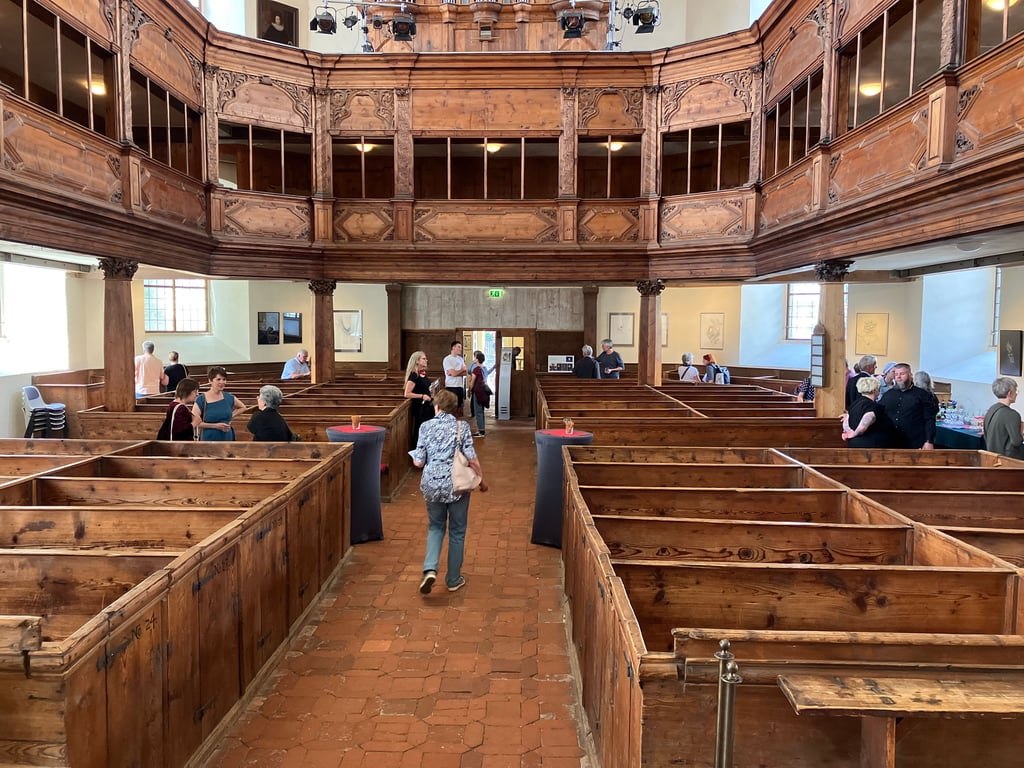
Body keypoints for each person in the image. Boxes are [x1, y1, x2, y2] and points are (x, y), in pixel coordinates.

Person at [409, 388, 488, 595]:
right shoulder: (462, 427)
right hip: (457, 485)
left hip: (431, 485)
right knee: (457, 531)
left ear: (436, 406)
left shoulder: (425, 427)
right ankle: (453, 579)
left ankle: (430, 569)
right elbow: (472, 459)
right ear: (455, 408)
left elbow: (418, 462)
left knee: (435, 527)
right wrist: (481, 480)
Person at [878, 363, 937, 449]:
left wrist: (929, 441)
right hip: (890, 441)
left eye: (902, 374)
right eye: (896, 374)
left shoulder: (923, 395)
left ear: (910, 375)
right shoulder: (888, 395)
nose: (898, 377)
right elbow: (879, 414)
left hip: (914, 441)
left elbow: (929, 419)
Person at [193, 366, 247, 441]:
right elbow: (195, 422)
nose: (222, 382)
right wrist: (215, 426)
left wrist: (231, 416)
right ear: (210, 380)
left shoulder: (229, 397)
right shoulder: (201, 399)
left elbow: (243, 407)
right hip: (209, 439)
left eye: (224, 379)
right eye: (218, 379)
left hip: (227, 437)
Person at [841, 376, 891, 447]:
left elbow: (846, 421)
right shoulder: (873, 406)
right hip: (870, 446)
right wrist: (854, 434)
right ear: (874, 390)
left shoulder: (854, 404)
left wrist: (848, 432)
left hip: (854, 444)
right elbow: (865, 424)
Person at [983, 377, 1023, 459]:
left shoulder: (991, 409)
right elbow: (1016, 442)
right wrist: (1021, 431)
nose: (1016, 394)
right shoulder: (1012, 415)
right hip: (1008, 460)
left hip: (992, 457)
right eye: (1015, 391)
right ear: (1009, 394)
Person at [403, 350, 434, 440]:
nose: (426, 360)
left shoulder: (422, 373)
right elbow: (407, 393)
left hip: (427, 405)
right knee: (421, 429)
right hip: (420, 407)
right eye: (424, 359)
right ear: (417, 361)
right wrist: (422, 396)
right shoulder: (414, 375)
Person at [469, 353, 491, 437]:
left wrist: (470, 391)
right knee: (481, 410)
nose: (474, 359)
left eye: (475, 358)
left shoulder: (476, 370)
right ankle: (482, 429)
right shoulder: (484, 368)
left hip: (478, 391)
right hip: (484, 391)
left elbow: (472, 382)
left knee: (478, 411)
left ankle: (481, 431)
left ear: (477, 359)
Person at [443, 340, 469, 412]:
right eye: (459, 347)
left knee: (459, 408)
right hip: (451, 386)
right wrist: (461, 370)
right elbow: (454, 373)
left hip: (460, 386)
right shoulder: (447, 359)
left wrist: (455, 373)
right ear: (453, 347)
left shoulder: (460, 359)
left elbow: (465, 373)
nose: (460, 349)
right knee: (451, 408)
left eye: (461, 347)